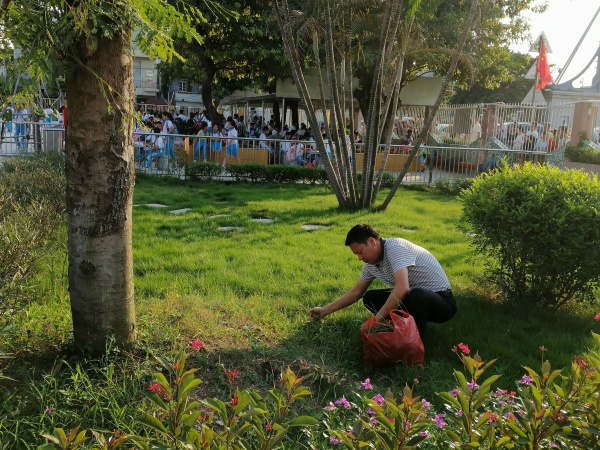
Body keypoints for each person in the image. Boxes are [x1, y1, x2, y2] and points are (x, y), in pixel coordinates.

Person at [308, 224, 457, 337]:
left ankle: (414, 345)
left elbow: (402, 288)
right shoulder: (370, 263)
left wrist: (377, 319)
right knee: (370, 297)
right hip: (415, 298)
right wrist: (325, 310)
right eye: (356, 255)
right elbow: (357, 291)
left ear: (372, 241)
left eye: (360, 252)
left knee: (417, 295)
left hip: (442, 302)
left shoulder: (395, 248)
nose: (359, 258)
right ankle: (398, 328)